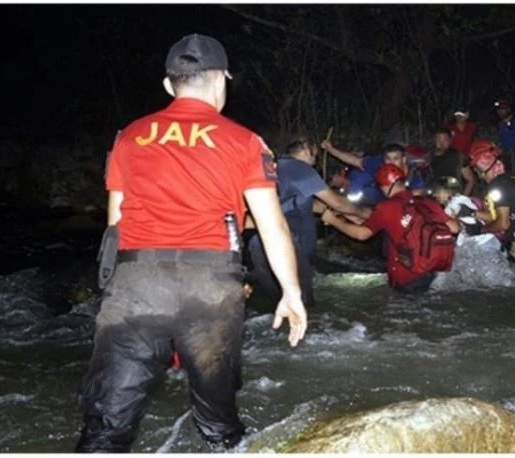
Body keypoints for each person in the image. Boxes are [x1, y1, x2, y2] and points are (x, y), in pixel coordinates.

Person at [76, 33, 307, 453]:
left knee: (107, 425)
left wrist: (113, 284)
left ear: (169, 85)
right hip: (210, 287)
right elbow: (272, 225)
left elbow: (115, 224)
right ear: (223, 80)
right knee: (218, 422)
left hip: (136, 283)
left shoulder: (129, 137)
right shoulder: (244, 141)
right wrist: (291, 293)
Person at [246, 139, 369, 309]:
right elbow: (338, 203)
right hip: (290, 247)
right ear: (305, 150)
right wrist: (365, 213)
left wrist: (342, 215)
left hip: (261, 244)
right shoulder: (299, 168)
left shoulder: (278, 169)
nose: (315, 161)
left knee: (277, 305)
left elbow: (299, 204)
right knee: (301, 307)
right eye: (314, 156)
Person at [321, 164, 461, 293]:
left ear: (385, 186)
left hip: (405, 277)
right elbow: (455, 228)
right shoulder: (427, 202)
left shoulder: (387, 207)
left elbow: (362, 234)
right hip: (430, 272)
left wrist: (333, 221)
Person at [467, 141, 515, 279]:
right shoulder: (506, 179)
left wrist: (481, 231)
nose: (477, 173)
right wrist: (473, 214)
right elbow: (497, 216)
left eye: (476, 168)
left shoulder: (498, 186)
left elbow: (503, 223)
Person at [321, 141, 425, 205]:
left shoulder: (413, 177)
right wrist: (331, 149)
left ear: (404, 159)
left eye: (395, 159)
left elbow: (419, 194)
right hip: (377, 201)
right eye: (388, 159)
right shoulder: (377, 163)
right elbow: (355, 161)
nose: (391, 162)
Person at [428, 128, 477, 196]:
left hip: (453, 196)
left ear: (450, 141)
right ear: (434, 141)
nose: (441, 143)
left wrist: (463, 197)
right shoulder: (428, 157)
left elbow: (470, 179)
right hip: (433, 196)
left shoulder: (458, 157)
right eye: (438, 139)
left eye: (445, 140)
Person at [494, 98, 515, 176]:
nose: (500, 112)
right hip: (503, 152)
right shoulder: (500, 123)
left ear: (508, 109)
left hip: (514, 152)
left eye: (502, 109)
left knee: (514, 174)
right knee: (504, 173)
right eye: (499, 110)